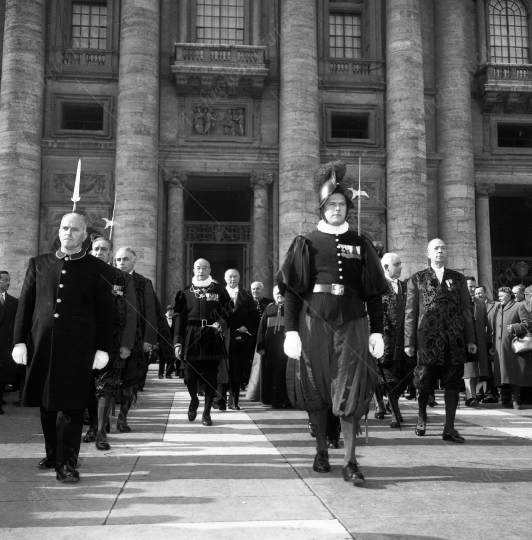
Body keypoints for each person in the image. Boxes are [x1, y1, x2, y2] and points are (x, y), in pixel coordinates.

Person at [278, 160, 387, 484]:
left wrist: (378, 331)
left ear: (348, 208)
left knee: (351, 392)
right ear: (322, 208)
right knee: (317, 389)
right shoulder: (306, 243)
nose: (336, 209)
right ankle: (321, 450)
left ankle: (351, 461)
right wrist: (291, 331)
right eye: (331, 204)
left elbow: (374, 293)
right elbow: (293, 293)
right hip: (315, 324)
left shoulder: (360, 242)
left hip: (353, 324)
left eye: (341, 204)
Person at [12, 213, 114, 482]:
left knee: (71, 405)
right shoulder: (39, 264)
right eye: (64, 228)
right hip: (42, 344)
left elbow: (106, 312)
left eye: (75, 229)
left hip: (78, 347)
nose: (68, 233)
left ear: (84, 235)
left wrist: (103, 349)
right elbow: (25, 304)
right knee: (46, 404)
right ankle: (52, 452)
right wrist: (19, 341)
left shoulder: (99, 269)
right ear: (59, 232)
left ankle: (66, 463)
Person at [404, 239, 476, 443]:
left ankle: (449, 427)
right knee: (424, 381)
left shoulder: (458, 278)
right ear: (428, 253)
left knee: (452, 382)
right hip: (427, 340)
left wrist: (470, 339)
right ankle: (421, 416)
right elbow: (410, 312)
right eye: (436, 248)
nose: (440, 251)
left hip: (453, 340)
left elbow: (466, 310)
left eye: (443, 248)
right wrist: (409, 342)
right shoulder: (417, 279)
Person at [83, 237, 137, 451]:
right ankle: (94, 426)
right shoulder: (82, 274)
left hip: (113, 343)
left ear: (110, 253)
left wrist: (127, 344)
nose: (98, 252)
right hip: (86, 340)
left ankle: (100, 434)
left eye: (103, 249)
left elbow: (132, 313)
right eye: (95, 249)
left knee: (106, 388)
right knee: (89, 387)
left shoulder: (122, 279)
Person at [174, 259, 230, 426]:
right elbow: (179, 319)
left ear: (210, 269)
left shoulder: (220, 291)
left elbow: (229, 311)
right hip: (191, 336)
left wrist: (221, 323)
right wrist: (177, 342)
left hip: (211, 336)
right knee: (190, 377)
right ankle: (193, 401)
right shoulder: (184, 293)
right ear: (193, 270)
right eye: (198, 268)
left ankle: (206, 413)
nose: (201, 271)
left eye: (205, 267)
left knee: (211, 377)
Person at [114, 247, 158, 431]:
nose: (121, 263)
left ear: (134, 260)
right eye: (118, 259)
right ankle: (101, 422)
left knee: (130, 382)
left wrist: (148, 339)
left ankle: (122, 418)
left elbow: (150, 312)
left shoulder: (143, 282)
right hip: (114, 338)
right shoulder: (110, 279)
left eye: (125, 259)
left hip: (137, 339)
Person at [379, 253, 415, 428]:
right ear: (386, 267)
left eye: (400, 263)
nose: (401, 267)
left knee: (405, 378)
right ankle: (395, 412)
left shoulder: (405, 286)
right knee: (390, 379)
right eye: (397, 264)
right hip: (387, 341)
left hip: (405, 341)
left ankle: (392, 404)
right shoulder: (378, 287)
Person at [216, 268, 255, 410]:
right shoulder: (219, 293)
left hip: (238, 338)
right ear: (225, 278)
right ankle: (220, 401)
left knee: (236, 370)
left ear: (239, 278)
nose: (233, 279)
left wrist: (246, 326)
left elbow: (253, 315)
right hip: (222, 336)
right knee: (222, 368)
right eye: (230, 277)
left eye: (235, 276)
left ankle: (235, 401)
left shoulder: (246, 295)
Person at [489, 286, 532, 410]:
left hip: (513, 348)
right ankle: (505, 398)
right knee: (503, 375)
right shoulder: (497, 308)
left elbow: (528, 323)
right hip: (499, 348)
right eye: (499, 296)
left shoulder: (519, 306)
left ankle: (516, 399)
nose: (499, 298)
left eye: (502, 296)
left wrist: (516, 327)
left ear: (509, 296)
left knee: (515, 374)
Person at [256, 286, 290, 408]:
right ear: (273, 294)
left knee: (285, 374)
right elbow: (261, 329)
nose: (279, 295)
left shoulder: (291, 309)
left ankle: (286, 400)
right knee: (271, 374)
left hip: (287, 348)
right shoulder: (268, 309)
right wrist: (261, 346)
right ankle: (271, 400)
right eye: (276, 293)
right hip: (270, 349)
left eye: (281, 293)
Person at [463, 276, 490, 408]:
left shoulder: (480, 303)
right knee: (468, 369)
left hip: (478, 341)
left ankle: (471, 395)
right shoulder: (459, 302)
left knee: (474, 370)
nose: (472, 289)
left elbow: (484, 323)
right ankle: (471, 396)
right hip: (465, 341)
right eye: (469, 286)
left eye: (474, 286)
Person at [0, 271, 18, 415]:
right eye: (5, 280)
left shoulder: (13, 301)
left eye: (9, 280)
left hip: (5, 343)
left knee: (2, 374)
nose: (8, 283)